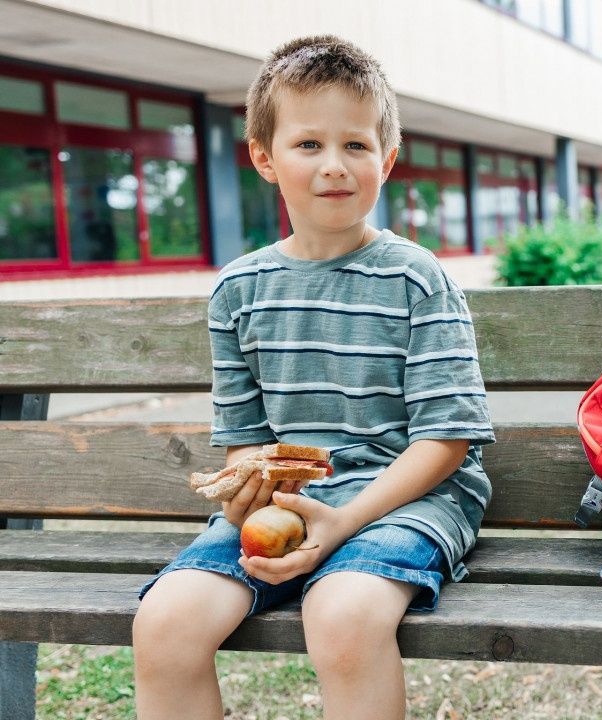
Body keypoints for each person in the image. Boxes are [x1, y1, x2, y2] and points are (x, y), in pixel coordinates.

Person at [131, 35, 494, 720]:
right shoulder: (239, 291)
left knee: (343, 618)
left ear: (386, 160)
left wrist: (343, 521)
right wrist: (248, 491)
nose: (335, 166)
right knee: (165, 625)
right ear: (264, 159)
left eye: (356, 145)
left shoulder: (416, 278)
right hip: (296, 504)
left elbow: (447, 440)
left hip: (408, 497)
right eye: (308, 146)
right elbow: (247, 439)